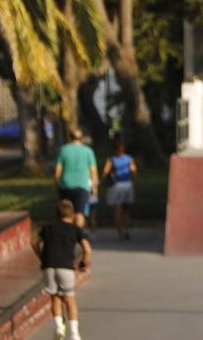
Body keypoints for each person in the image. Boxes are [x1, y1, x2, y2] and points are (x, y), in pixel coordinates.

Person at [32, 198, 92, 340]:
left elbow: (34, 242)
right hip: (66, 267)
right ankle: (74, 334)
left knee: (55, 297)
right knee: (69, 299)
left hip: (48, 266)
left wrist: (42, 258)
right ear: (73, 215)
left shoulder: (48, 227)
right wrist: (83, 263)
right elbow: (87, 249)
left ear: (56, 214)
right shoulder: (75, 229)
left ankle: (59, 327)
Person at [54, 128, 97, 229]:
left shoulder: (63, 150)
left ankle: (67, 233)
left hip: (66, 185)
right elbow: (93, 171)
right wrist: (94, 187)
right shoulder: (88, 151)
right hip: (82, 186)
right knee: (79, 213)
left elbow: (57, 170)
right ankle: (78, 233)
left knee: (66, 213)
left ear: (70, 137)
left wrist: (56, 184)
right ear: (81, 138)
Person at [102, 133, 138, 241]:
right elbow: (134, 171)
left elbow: (105, 171)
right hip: (127, 184)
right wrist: (134, 181)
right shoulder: (129, 158)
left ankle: (120, 232)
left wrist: (101, 181)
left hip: (116, 185)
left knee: (117, 210)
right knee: (126, 210)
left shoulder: (112, 159)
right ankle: (126, 230)